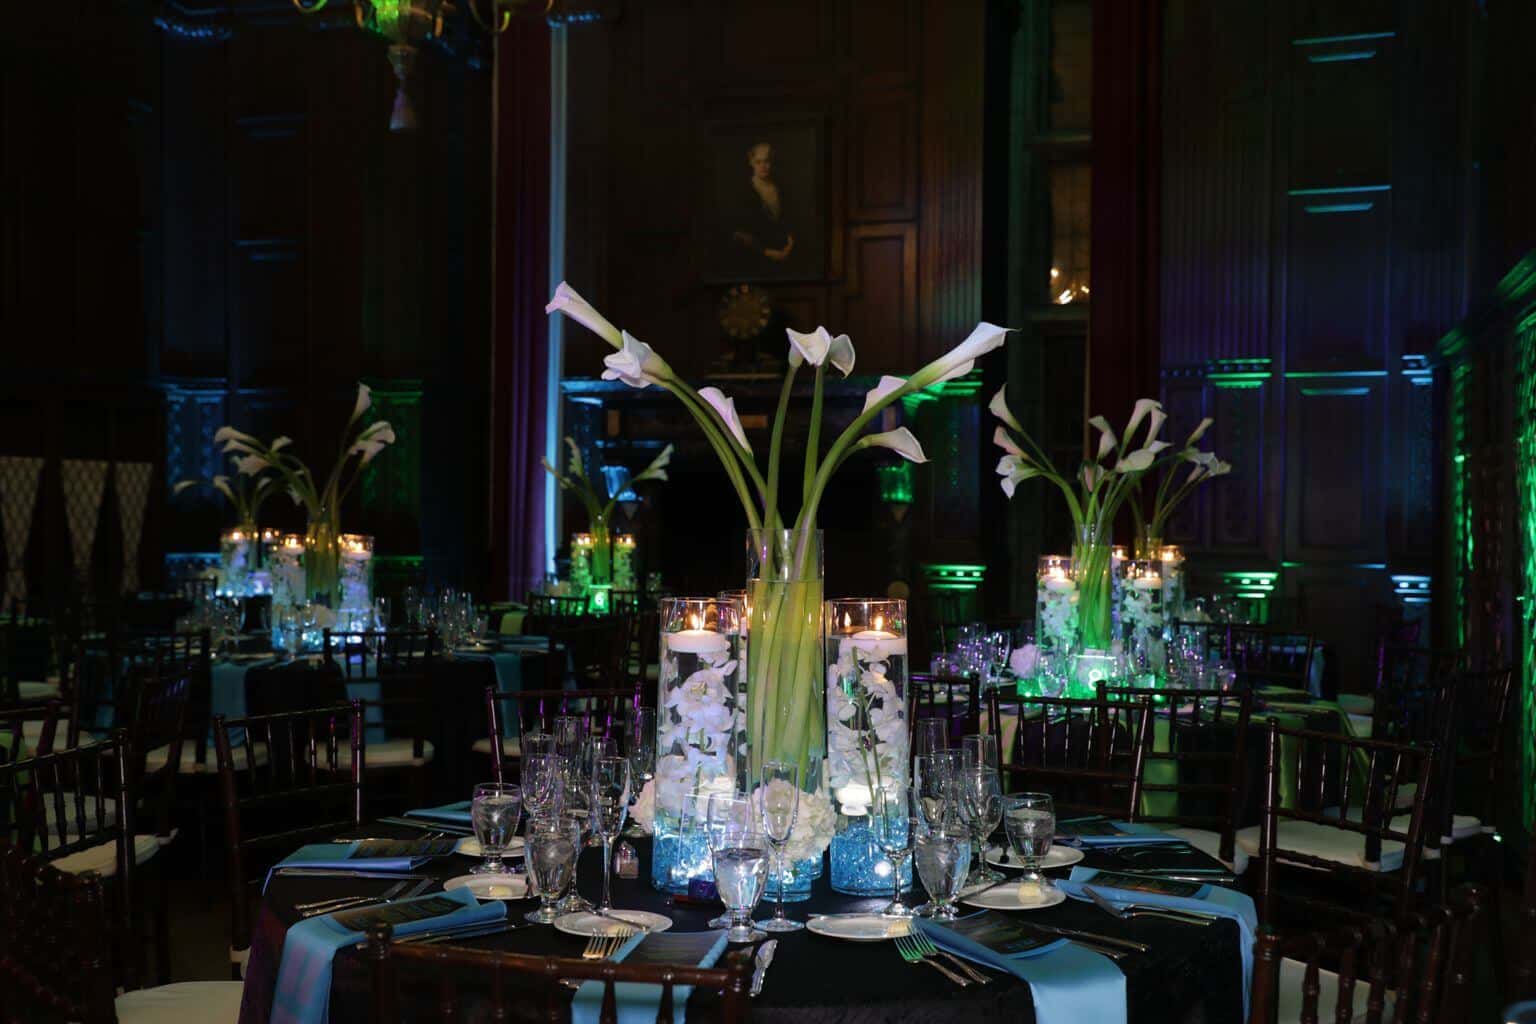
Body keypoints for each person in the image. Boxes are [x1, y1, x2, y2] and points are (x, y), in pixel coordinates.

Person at [727, 142, 795, 270]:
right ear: (751, 163)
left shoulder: (781, 188)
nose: (763, 166)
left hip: (784, 252)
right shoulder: (743, 190)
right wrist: (767, 252)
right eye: (758, 162)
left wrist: (790, 245)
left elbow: (791, 219)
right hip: (755, 257)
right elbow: (736, 233)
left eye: (767, 161)